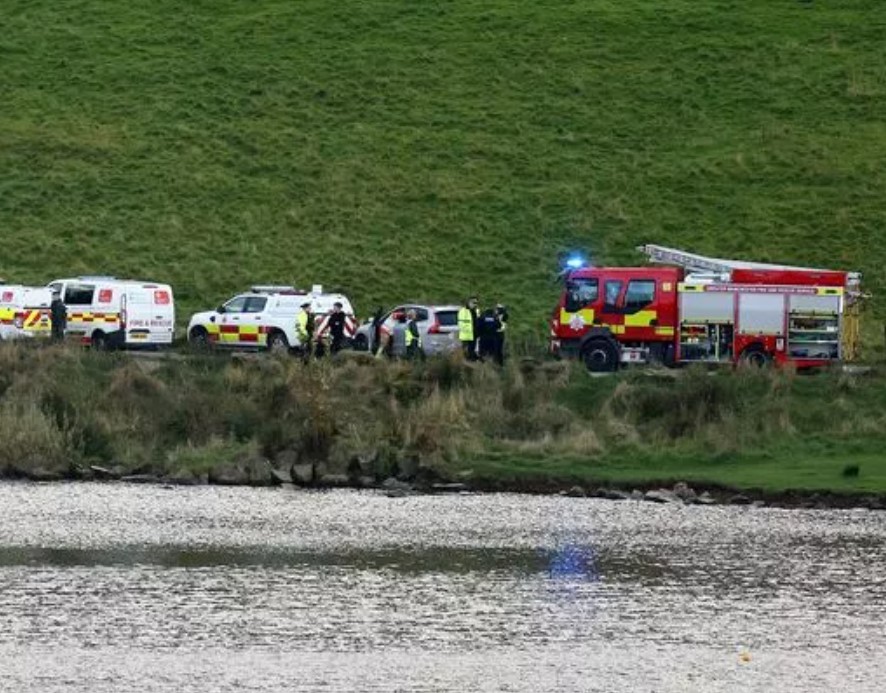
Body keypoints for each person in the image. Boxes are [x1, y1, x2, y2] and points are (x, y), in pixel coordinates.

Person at [458, 297, 479, 361]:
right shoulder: (463, 311)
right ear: (469, 302)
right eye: (474, 303)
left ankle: (472, 363)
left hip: (473, 335)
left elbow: (477, 322)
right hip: (466, 335)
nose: (475, 304)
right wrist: (470, 330)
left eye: (476, 303)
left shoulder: (475, 311)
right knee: (466, 352)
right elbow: (461, 324)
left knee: (472, 352)